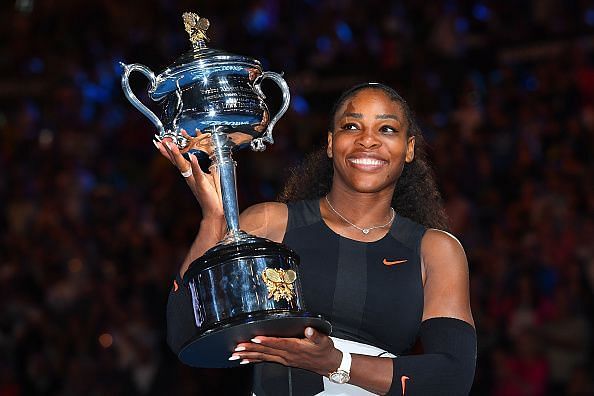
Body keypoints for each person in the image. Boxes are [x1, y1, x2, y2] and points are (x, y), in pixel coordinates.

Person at [157, 82, 477, 395]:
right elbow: (184, 332)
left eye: (387, 129)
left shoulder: (435, 249)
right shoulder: (272, 223)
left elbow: (453, 376)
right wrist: (214, 221)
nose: (368, 140)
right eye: (352, 126)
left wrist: (337, 362)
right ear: (329, 142)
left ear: (408, 149)